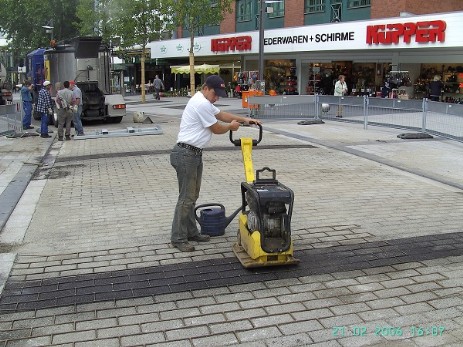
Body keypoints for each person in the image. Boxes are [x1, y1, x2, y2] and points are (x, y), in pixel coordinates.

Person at [170, 75, 261, 252]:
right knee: (186, 198)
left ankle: (190, 232)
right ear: (205, 88)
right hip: (186, 154)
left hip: (193, 154)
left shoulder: (203, 101)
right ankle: (178, 237)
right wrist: (231, 127)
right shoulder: (201, 103)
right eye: (215, 93)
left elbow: (222, 114)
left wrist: (244, 120)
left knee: (191, 197)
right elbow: (217, 127)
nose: (216, 97)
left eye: (219, 95)